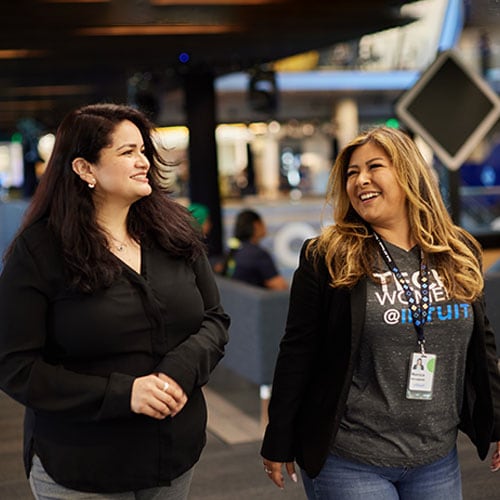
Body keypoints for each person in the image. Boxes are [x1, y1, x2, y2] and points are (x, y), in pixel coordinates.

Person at [0, 103, 230, 499]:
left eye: (143, 150)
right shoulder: (40, 251)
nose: (143, 162)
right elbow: (15, 366)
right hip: (83, 464)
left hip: (172, 454)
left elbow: (214, 320)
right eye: (127, 152)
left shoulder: (175, 231)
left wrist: (178, 370)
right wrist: (126, 394)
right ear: (84, 169)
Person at [260, 126, 500, 499]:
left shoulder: (457, 250)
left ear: (409, 174)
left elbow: (482, 345)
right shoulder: (328, 255)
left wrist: (497, 421)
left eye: (374, 167)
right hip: (350, 457)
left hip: (436, 456)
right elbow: (297, 351)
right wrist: (278, 436)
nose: (361, 180)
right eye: (352, 173)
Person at [222, 208, 288, 290]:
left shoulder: (233, 250)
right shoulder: (258, 254)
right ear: (256, 225)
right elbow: (281, 286)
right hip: (255, 301)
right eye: (263, 223)